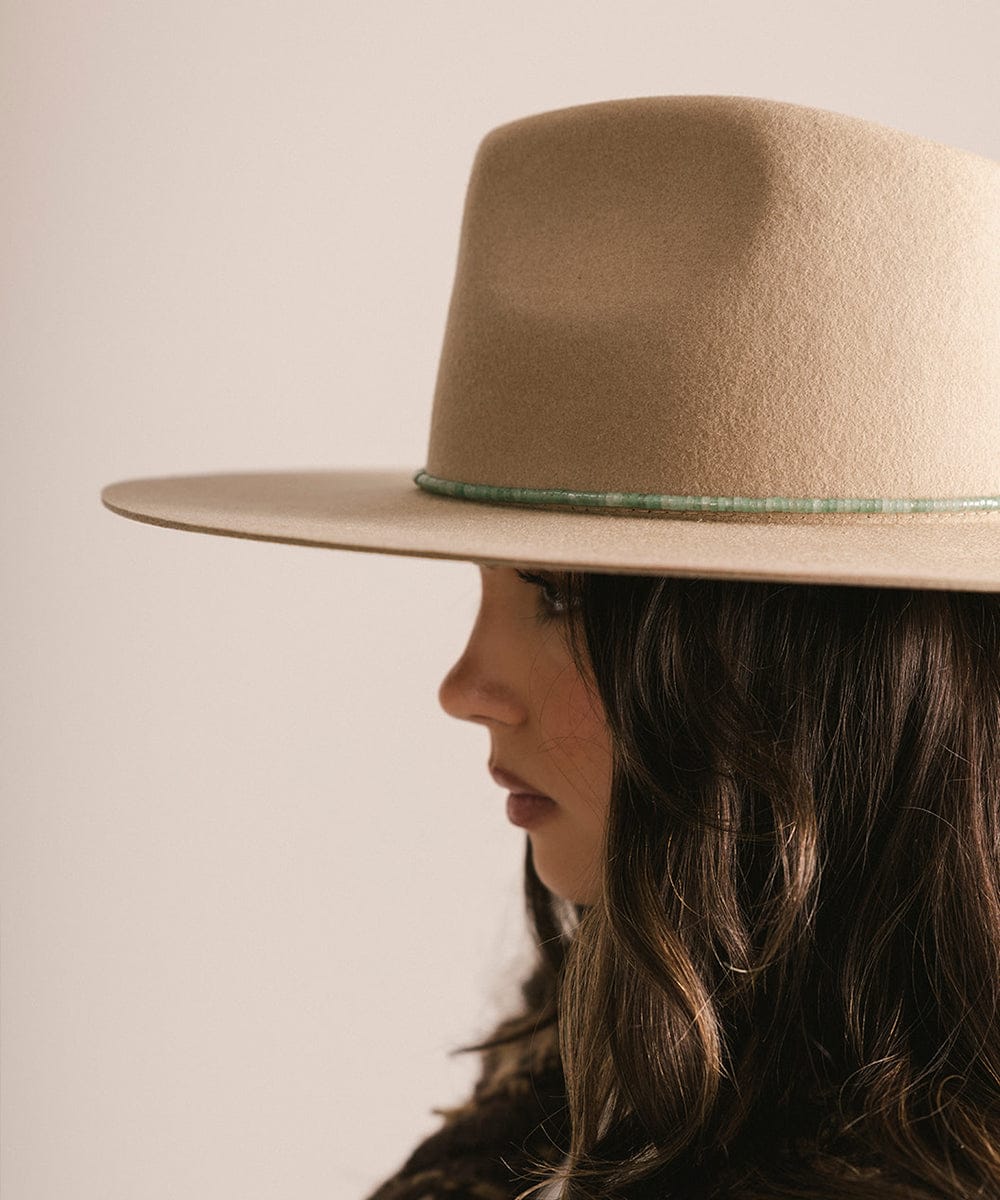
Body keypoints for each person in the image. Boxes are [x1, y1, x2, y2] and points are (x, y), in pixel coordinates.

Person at [102, 94, 1000, 1198]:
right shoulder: (601, 1085)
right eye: (484, 587)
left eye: (562, 599)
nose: (464, 688)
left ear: (812, 673)